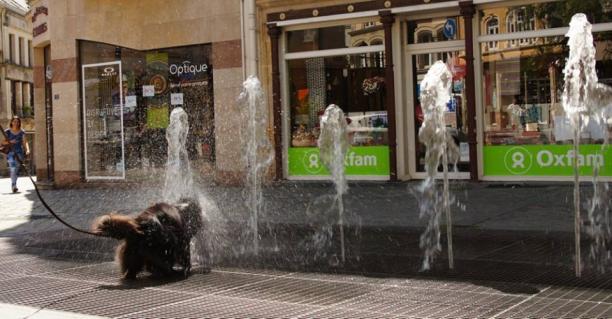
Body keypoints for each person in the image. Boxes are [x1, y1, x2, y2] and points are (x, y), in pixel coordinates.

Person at [2, 116, 30, 193]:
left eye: (17, 122)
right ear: (11, 122)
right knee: (13, 168)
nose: (16, 123)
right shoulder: (7, 131)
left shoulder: (22, 132)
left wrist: (27, 150)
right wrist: (10, 142)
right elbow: (2, 143)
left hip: (19, 153)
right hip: (10, 152)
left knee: (16, 169)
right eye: (14, 121)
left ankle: (14, 184)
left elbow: (25, 142)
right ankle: (14, 185)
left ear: (19, 123)